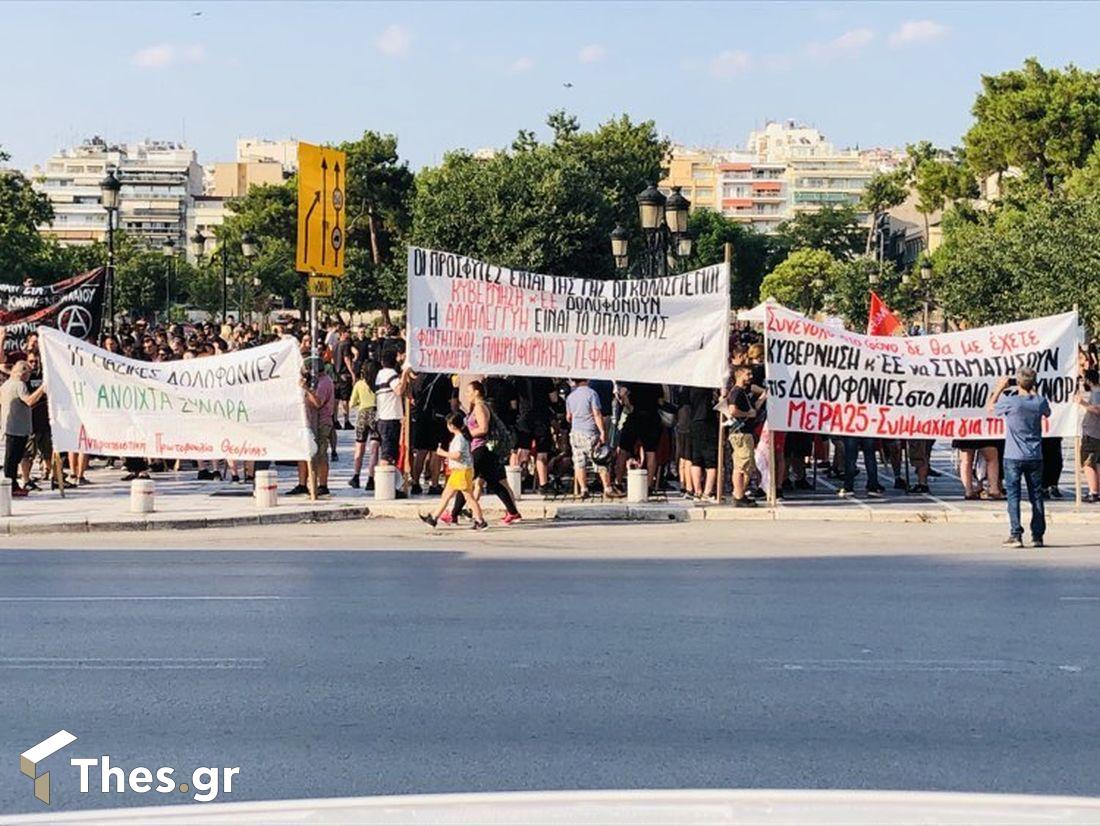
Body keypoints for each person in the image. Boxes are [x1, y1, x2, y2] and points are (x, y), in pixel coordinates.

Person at [988, 368, 1051, 548]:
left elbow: (991, 407)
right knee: (1036, 496)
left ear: (1017, 382)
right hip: (1035, 455)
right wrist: (1034, 390)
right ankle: (1037, 535)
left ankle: (1016, 534)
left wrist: (1000, 388)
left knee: (1013, 496)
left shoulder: (1011, 402)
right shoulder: (1039, 402)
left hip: (1013, 455)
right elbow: (1047, 413)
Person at [448, 380, 522, 523]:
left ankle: (453, 514)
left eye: (469, 392)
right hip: (480, 448)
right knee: (494, 483)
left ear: (477, 392)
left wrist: (467, 434)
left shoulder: (480, 407)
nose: (466, 394)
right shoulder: (476, 407)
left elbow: (483, 429)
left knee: (466, 480)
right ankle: (513, 512)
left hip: (481, 448)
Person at [419, 412, 488, 530]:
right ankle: (433, 518)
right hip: (459, 471)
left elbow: (457, 455)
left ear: (451, 425)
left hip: (462, 471)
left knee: (469, 497)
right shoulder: (461, 437)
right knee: (446, 495)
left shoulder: (460, 439)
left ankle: (480, 521)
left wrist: (443, 453)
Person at [289, 359, 334, 496]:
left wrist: (307, 389)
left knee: (320, 454)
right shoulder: (314, 381)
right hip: (308, 421)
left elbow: (317, 403)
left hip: (321, 422)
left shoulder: (324, 382)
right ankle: (302, 483)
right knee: (304, 453)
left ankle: (322, 485)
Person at [0, 360, 46, 497]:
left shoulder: (6, 384)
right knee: (13, 459)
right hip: (17, 428)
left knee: (12, 458)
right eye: (29, 373)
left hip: (10, 426)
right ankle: (11, 486)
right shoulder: (20, 385)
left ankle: (12, 485)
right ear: (23, 372)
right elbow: (29, 401)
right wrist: (42, 389)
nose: (29, 376)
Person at [565, 378, 616, 500]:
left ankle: (583, 489)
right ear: (586, 379)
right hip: (590, 432)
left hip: (576, 433)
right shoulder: (592, 393)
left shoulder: (570, 396)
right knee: (600, 460)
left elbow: (569, 417)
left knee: (579, 462)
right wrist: (603, 431)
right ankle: (607, 488)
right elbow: (597, 414)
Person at [722, 366, 764, 507]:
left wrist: (764, 396)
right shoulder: (737, 392)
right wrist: (747, 414)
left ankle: (740, 493)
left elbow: (753, 409)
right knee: (741, 466)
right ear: (739, 375)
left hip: (746, 432)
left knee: (748, 466)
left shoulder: (743, 392)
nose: (751, 376)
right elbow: (733, 411)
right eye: (748, 374)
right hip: (740, 433)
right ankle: (738, 495)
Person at [374, 349, 413, 498]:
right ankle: (387, 489)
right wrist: (404, 374)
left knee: (390, 453)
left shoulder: (380, 374)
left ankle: (393, 486)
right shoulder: (390, 374)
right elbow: (398, 390)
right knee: (387, 455)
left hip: (384, 418)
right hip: (389, 418)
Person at [348, 360, 381, 490]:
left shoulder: (359, 384)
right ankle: (371, 479)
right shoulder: (378, 385)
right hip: (375, 414)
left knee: (359, 447)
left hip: (362, 415)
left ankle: (356, 476)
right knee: (374, 450)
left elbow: (351, 404)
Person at [1077, 369, 1100, 503]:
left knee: (1088, 463)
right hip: (1094, 432)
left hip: (1092, 433)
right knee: (1097, 463)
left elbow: (1097, 409)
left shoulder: (1096, 393)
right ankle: (1096, 490)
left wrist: (1083, 403)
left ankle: (1093, 491)